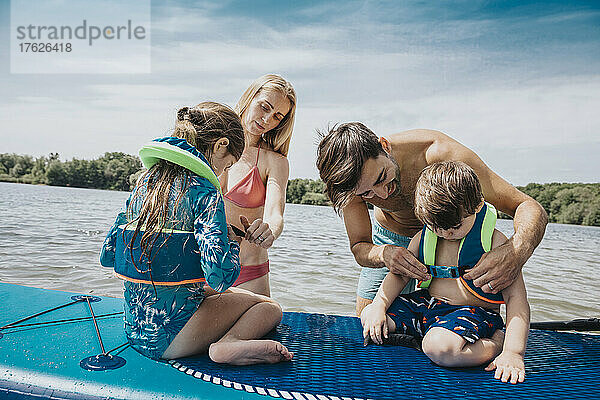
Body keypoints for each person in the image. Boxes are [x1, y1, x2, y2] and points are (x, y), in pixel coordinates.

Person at [100, 102, 293, 365]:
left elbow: (108, 256)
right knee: (269, 307)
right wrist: (232, 243)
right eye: (227, 166)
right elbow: (220, 278)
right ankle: (229, 345)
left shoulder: (145, 182)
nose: (222, 174)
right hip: (170, 339)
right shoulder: (205, 192)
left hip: (134, 329)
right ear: (220, 145)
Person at [316, 123, 547, 316]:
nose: (381, 194)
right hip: (390, 239)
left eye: (381, 178)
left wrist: (515, 253)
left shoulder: (441, 154)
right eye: (366, 194)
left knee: (459, 328)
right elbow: (359, 247)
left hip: (455, 237)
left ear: (384, 146)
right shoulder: (346, 185)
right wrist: (384, 254)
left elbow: (528, 206)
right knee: (370, 323)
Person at [361, 161, 530, 384]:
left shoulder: (495, 244)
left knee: (439, 349)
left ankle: (495, 342)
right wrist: (379, 307)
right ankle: (428, 333)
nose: (447, 233)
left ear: (477, 207)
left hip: (474, 313)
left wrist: (512, 352)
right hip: (427, 306)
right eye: (437, 228)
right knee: (370, 317)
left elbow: (516, 299)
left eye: (456, 227)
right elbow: (399, 275)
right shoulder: (422, 239)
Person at [220, 74, 297, 296]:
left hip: (250, 272)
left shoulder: (275, 161)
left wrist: (269, 231)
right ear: (249, 97)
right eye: (264, 107)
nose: (267, 120)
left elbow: (275, 213)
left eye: (277, 116)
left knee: (265, 321)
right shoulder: (212, 145)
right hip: (202, 265)